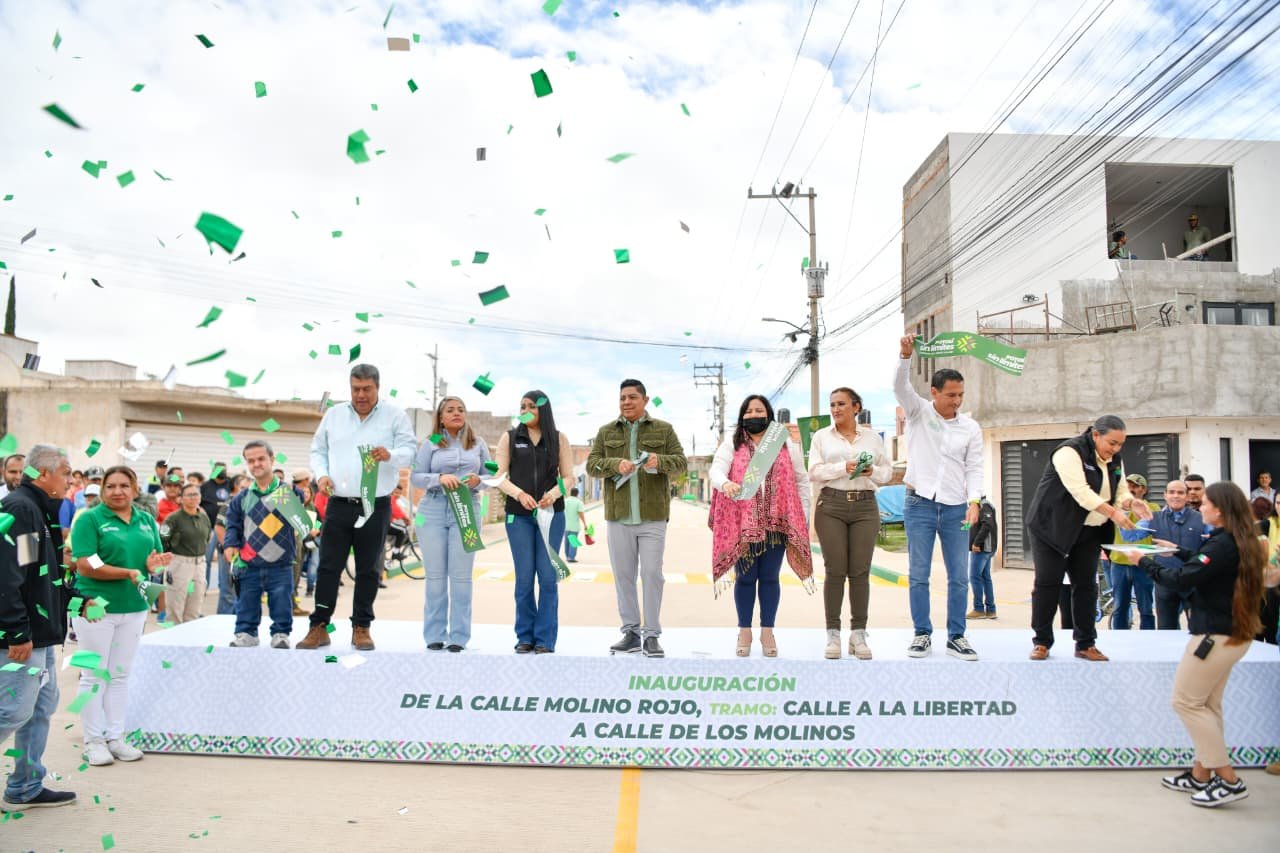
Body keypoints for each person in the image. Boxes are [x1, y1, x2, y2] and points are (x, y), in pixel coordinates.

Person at [1120, 482, 1264, 807]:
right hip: (1230, 635)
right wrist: (1179, 551)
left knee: (1185, 702)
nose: (1201, 507)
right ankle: (1201, 773)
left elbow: (1182, 578)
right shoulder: (1233, 540)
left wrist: (1143, 561)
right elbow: (1204, 563)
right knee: (1208, 706)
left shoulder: (1222, 544)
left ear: (1221, 510)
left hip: (1213, 637)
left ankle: (1229, 780)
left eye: (1206, 503)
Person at [299, 364, 416, 652]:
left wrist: (390, 455)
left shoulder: (395, 416)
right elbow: (318, 450)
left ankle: (361, 627)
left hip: (374, 504)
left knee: (369, 569)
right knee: (328, 567)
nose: (361, 395)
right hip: (338, 503)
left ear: (378, 387)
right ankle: (319, 626)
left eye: (366, 389)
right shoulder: (334, 415)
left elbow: (410, 451)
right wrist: (321, 475)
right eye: (355, 389)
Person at [0, 445, 89, 811]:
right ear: (44, 474)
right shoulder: (21, 509)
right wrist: (16, 632)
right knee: (14, 711)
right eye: (65, 473)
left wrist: (76, 601)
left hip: (41, 634)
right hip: (24, 637)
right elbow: (8, 575)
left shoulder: (39, 509)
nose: (70, 481)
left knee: (40, 708)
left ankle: (25, 786)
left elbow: (39, 575)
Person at [69, 466, 171, 766]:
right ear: (102, 490)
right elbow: (86, 564)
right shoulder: (90, 519)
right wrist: (127, 572)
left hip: (135, 606)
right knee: (93, 675)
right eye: (110, 486)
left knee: (119, 675)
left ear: (135, 489)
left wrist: (154, 565)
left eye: (124, 485)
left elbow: (150, 562)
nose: (117, 491)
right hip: (94, 606)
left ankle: (115, 738)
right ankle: (93, 741)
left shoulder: (146, 520)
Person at [893, 336, 983, 661]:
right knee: (919, 573)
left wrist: (975, 501)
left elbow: (974, 467)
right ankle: (922, 634)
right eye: (950, 395)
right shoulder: (918, 412)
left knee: (959, 575)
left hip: (957, 508)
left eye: (960, 395)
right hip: (919, 505)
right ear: (934, 392)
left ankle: (957, 636)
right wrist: (905, 356)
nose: (956, 401)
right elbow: (900, 386)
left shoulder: (970, 428)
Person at [1026, 416, 1141, 662]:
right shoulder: (1069, 452)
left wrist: (1131, 503)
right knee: (1048, 583)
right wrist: (1114, 514)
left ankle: (1086, 644)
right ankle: (1042, 642)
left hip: (1089, 530)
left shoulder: (1114, 458)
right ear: (1096, 435)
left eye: (1121, 444)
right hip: (1052, 527)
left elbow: (1120, 490)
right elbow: (1081, 493)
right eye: (1112, 443)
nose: (1116, 449)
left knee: (1087, 586)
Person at [587, 379, 688, 659]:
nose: (626, 402)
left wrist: (660, 461)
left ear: (645, 400)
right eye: (622, 398)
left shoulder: (664, 429)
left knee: (652, 574)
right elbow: (592, 465)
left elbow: (681, 463)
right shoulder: (606, 431)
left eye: (632, 397)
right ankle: (631, 633)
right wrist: (613, 464)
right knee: (623, 577)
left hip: (653, 516)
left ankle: (651, 635)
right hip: (618, 516)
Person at [710, 394, 812, 658]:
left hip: (777, 524)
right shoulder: (732, 443)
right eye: (749, 411)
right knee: (745, 578)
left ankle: (768, 631)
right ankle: (744, 631)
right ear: (742, 416)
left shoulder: (785, 443)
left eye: (759, 410)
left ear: (768, 414)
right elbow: (716, 471)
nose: (754, 415)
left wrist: (803, 516)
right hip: (743, 524)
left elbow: (801, 480)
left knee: (769, 578)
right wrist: (725, 483)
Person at [807, 387, 892, 660]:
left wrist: (872, 471)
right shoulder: (821, 437)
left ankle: (858, 634)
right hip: (831, 505)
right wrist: (842, 467)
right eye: (832, 404)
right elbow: (814, 472)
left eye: (841, 404)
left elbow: (887, 473)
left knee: (860, 572)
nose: (835, 409)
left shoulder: (872, 438)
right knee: (835, 571)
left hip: (865, 506)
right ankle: (833, 634)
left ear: (856, 407)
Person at [495, 391, 573, 654]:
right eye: (522, 406)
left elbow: (569, 477)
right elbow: (499, 477)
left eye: (531, 406)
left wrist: (554, 494)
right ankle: (525, 636)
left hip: (552, 516)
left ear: (544, 409)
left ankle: (545, 639)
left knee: (548, 578)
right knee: (524, 579)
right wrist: (519, 494)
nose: (525, 410)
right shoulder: (509, 438)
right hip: (518, 517)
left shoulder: (559, 439)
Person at [412, 396, 491, 653]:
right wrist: (439, 478)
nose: (457, 413)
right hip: (433, 509)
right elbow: (416, 477)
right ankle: (434, 634)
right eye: (450, 410)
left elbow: (491, 476)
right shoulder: (431, 442)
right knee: (435, 578)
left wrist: (478, 481)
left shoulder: (478, 443)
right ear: (441, 417)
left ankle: (459, 637)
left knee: (461, 577)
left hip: (467, 509)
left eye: (461, 409)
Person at [224, 440, 307, 649]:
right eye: (251, 461)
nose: (256, 464)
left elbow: (302, 512)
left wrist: (296, 493)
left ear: (272, 459)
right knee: (246, 600)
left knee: (282, 600)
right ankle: (246, 632)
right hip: (249, 561)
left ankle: (281, 633)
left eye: (261, 459)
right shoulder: (242, 497)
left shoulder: (286, 492)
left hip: (281, 562)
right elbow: (232, 524)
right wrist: (230, 543)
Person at [1150, 479, 1205, 630]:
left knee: (1198, 629)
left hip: (1193, 581)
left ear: (1187, 496)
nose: (1176, 496)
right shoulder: (1153, 518)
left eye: (1180, 492)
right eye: (1172, 492)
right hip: (1164, 581)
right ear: (1165, 495)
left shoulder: (1201, 519)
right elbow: (1130, 535)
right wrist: (1127, 511)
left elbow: (1211, 550)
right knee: (1166, 629)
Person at [1108, 473, 1160, 631]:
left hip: (1143, 563)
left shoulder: (1153, 508)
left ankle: (1148, 640)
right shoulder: (1114, 509)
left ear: (1144, 490)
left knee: (1146, 608)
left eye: (1135, 486)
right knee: (1119, 607)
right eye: (1128, 486)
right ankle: (1119, 639)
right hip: (1119, 562)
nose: (1131, 489)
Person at [158, 482, 211, 624]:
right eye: (189, 495)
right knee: (175, 608)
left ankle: (190, 636)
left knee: (194, 607)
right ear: (181, 498)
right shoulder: (173, 518)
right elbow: (162, 539)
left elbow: (206, 538)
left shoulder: (203, 517)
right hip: (179, 565)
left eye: (196, 494)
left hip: (199, 565)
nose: (193, 498)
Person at [200, 464, 233, 587]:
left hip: (227, 529)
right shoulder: (205, 486)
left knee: (225, 559)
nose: (222, 473)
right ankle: (204, 586)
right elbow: (198, 503)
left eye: (224, 470)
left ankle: (223, 586)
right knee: (207, 559)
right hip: (210, 528)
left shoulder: (230, 484)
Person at [967, 496, 999, 620]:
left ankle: (979, 609)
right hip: (985, 549)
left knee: (974, 577)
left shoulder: (984, 505)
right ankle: (991, 610)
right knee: (986, 578)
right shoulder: (980, 506)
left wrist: (976, 543)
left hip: (982, 549)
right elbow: (979, 525)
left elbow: (987, 525)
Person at [562, 488, 587, 563]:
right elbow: (581, 513)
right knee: (573, 541)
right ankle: (571, 557)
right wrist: (585, 524)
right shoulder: (578, 502)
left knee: (567, 542)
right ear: (577, 494)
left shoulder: (565, 501)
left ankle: (567, 556)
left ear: (571, 493)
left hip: (565, 526)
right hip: (574, 526)